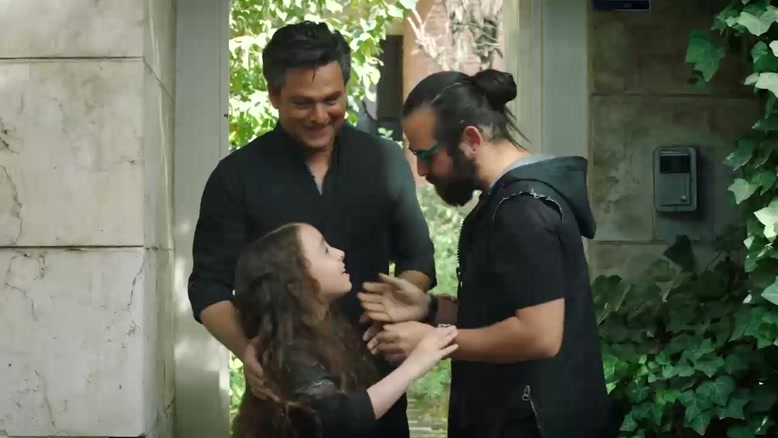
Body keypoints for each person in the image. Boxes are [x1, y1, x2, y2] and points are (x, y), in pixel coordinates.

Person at [187, 21, 436, 437]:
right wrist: (250, 351)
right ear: (274, 96)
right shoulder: (236, 176)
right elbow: (208, 286)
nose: (320, 116)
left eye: (331, 100)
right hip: (286, 394)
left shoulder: (384, 161)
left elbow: (418, 259)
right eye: (302, 103)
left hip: (378, 385)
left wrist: (392, 311)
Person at [358, 69, 616, 437]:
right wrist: (429, 309)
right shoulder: (506, 202)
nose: (422, 170)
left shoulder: (523, 210)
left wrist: (433, 343)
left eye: (427, 155)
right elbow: (506, 311)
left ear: (471, 139)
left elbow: (539, 334)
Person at [230, 223, 456, 438]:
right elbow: (341, 418)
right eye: (325, 251)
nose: (340, 253)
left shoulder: (328, 330)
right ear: (295, 284)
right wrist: (416, 363)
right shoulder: (291, 350)